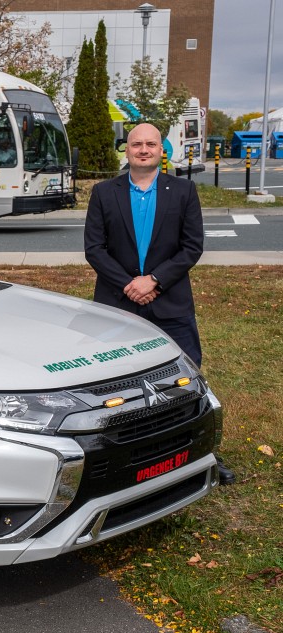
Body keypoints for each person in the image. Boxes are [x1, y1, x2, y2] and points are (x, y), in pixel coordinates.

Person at [84, 122, 235, 485]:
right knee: (113, 388)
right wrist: (129, 285)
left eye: (151, 143)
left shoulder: (183, 191)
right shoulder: (104, 192)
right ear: (127, 150)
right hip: (118, 304)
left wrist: (153, 280)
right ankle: (119, 463)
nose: (144, 149)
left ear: (161, 151)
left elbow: (191, 247)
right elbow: (95, 249)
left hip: (171, 303)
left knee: (187, 381)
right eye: (137, 144)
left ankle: (204, 455)